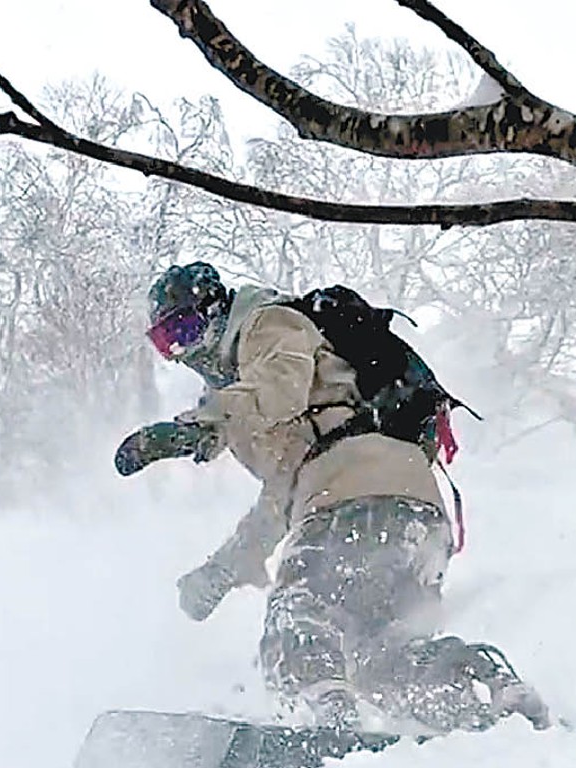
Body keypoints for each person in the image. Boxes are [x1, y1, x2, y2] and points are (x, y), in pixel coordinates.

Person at [115, 261, 548, 733]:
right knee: (382, 660)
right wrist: (221, 570)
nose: (181, 351)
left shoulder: (267, 323)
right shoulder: (254, 401)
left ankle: (326, 723)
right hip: (411, 514)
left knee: (295, 614)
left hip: (353, 500)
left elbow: (280, 386)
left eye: (185, 328)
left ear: (216, 310)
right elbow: (282, 497)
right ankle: (488, 691)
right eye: (165, 341)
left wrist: (198, 426)